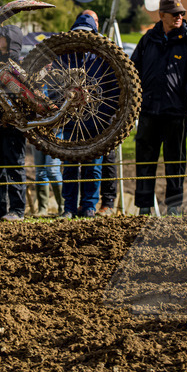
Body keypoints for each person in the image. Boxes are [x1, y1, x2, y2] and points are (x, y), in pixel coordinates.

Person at [130, 0, 187, 215]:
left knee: (176, 160)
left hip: (175, 113)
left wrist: (185, 94)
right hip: (148, 112)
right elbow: (133, 69)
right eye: (174, 14)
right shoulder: (147, 40)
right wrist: (139, 97)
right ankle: (144, 207)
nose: (179, 17)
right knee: (144, 159)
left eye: (181, 14)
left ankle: (173, 207)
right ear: (161, 15)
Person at [58, 11, 118, 219]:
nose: (82, 37)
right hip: (70, 119)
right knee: (71, 164)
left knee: (93, 165)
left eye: (86, 33)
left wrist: (105, 115)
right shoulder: (64, 54)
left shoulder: (103, 56)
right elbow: (54, 83)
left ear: (94, 33)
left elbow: (114, 88)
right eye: (79, 33)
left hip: (96, 120)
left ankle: (89, 206)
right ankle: (69, 207)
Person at [0, 25, 27, 221]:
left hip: (14, 127)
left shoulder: (18, 67)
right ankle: (0, 209)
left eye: (1, 37)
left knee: (15, 166)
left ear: (11, 41)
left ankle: (17, 210)